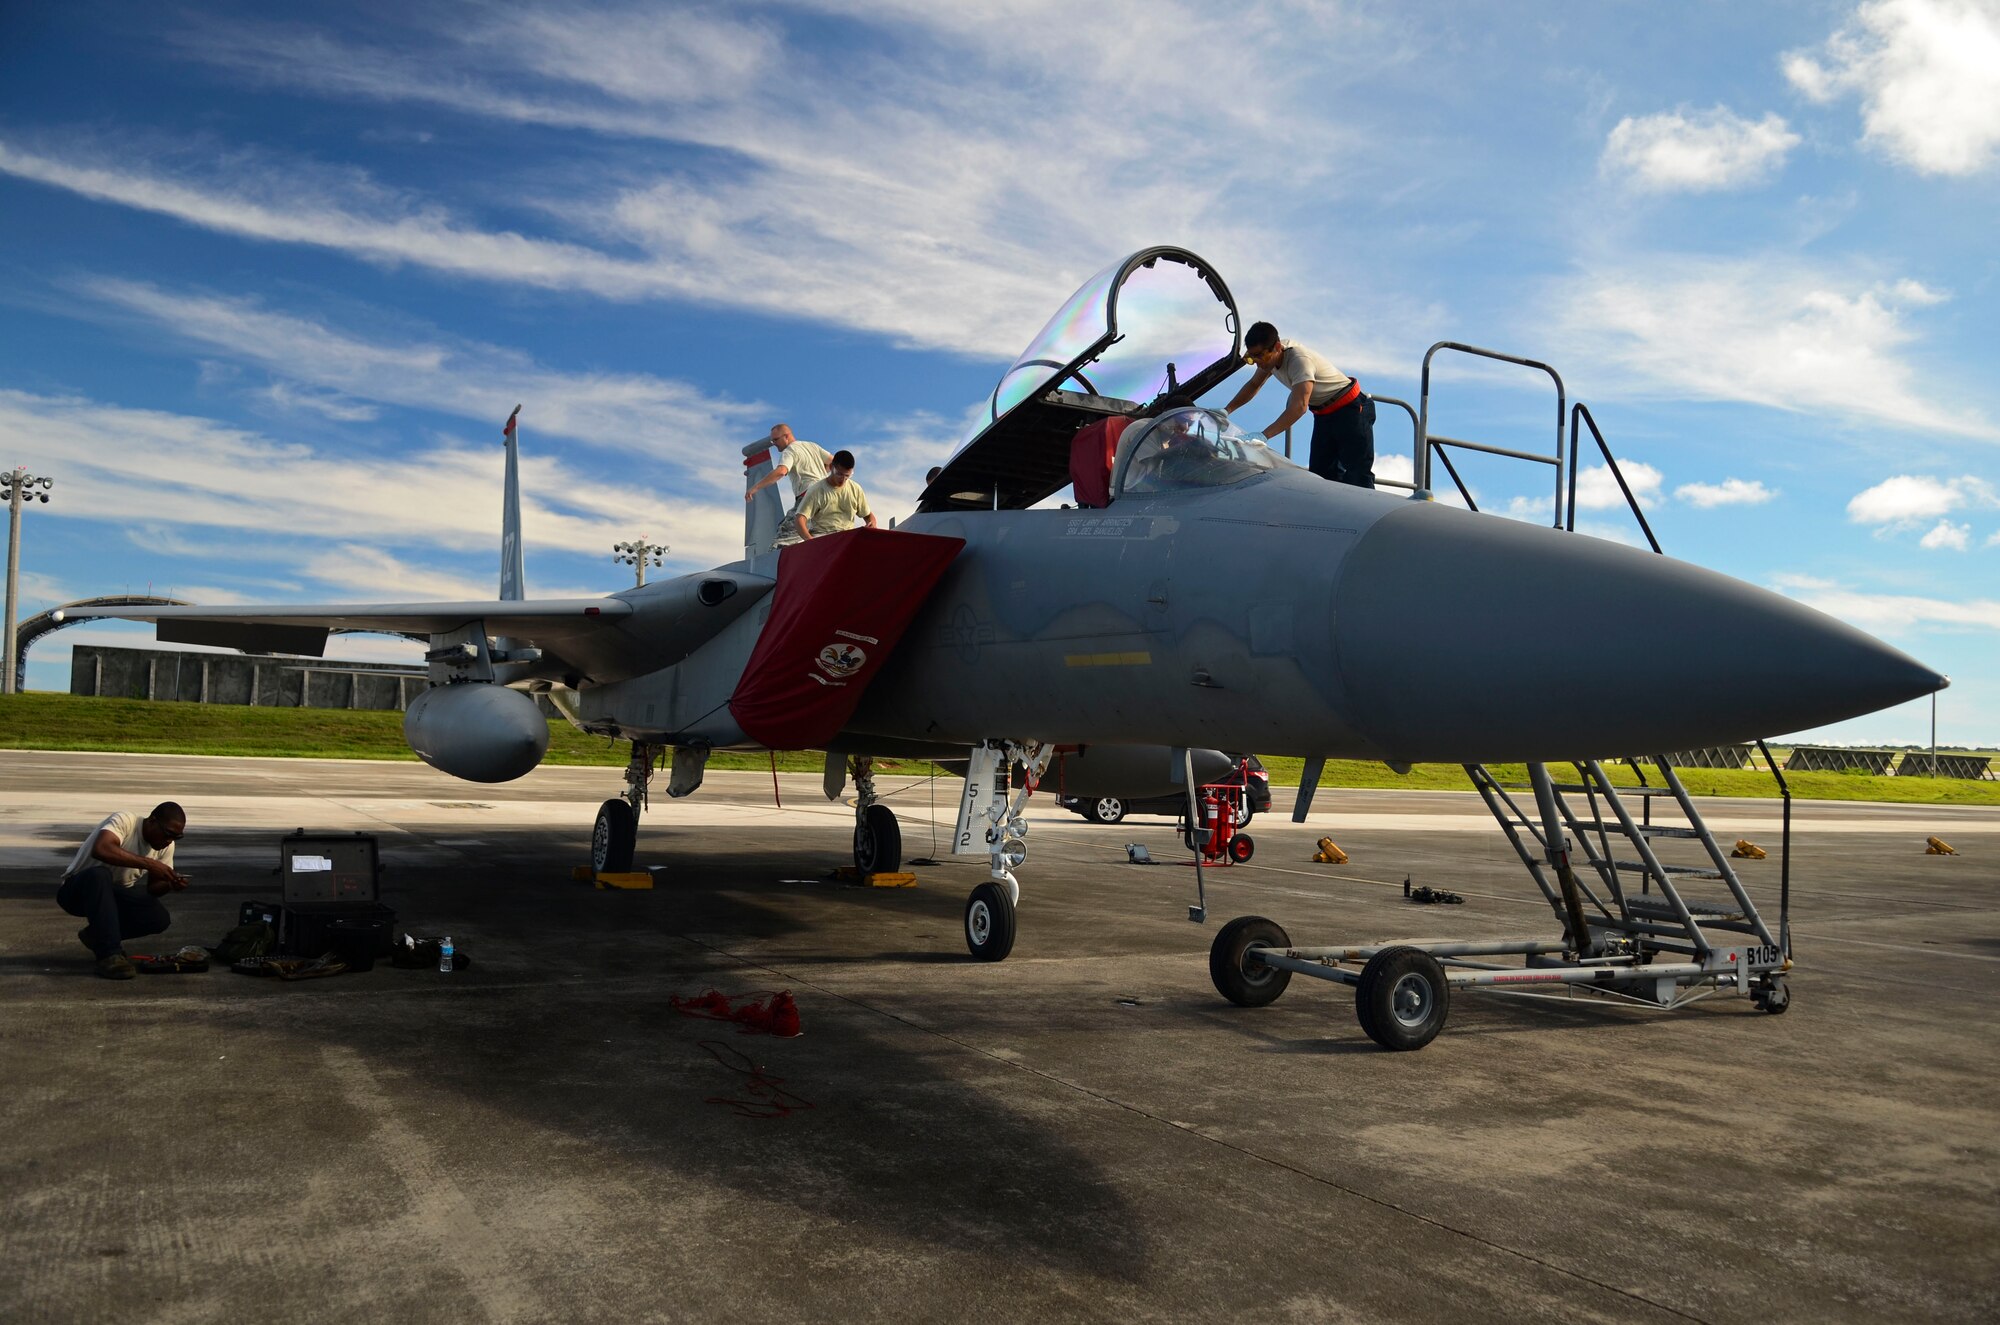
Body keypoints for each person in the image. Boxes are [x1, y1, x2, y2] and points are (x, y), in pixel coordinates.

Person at [1221, 321, 1375, 488]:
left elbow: (1299, 406)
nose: (1257, 362)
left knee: (1358, 476)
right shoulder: (1270, 359)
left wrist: (1264, 435)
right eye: (1251, 358)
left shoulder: (1299, 360)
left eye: (1260, 356)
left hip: (1350, 410)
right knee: (1322, 477)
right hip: (1324, 414)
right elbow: (1253, 385)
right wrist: (1226, 410)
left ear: (1277, 347)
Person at [57, 802, 188, 979]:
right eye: (167, 834)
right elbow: (101, 849)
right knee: (100, 876)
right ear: (152, 821)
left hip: (113, 898)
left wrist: (170, 884)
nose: (169, 841)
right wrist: (149, 863)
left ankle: (96, 935)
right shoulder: (125, 821)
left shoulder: (165, 846)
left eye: (176, 837)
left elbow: (153, 889)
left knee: (159, 917)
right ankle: (109, 955)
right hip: (78, 891)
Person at [746, 423, 834, 545]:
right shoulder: (812, 446)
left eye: (776, 440)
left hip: (809, 497)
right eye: (772, 441)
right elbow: (833, 462)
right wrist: (821, 473)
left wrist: (754, 488)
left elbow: (781, 471)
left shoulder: (790, 450)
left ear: (786, 436)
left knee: (783, 540)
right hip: (828, 500)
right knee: (818, 538)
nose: (774, 443)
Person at [794, 450, 878, 540]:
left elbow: (868, 515)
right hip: (823, 538)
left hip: (847, 539)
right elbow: (800, 519)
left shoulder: (856, 489)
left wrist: (872, 523)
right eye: (839, 474)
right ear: (831, 467)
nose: (843, 479)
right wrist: (810, 541)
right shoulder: (816, 490)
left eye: (847, 476)